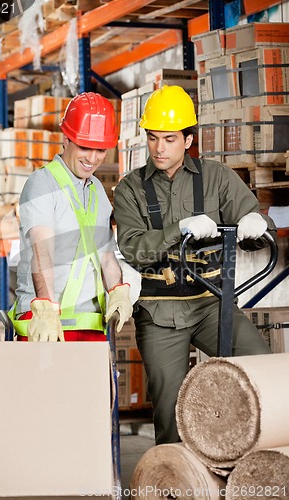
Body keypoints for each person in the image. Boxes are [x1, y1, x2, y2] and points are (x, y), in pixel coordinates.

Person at [113, 85, 277, 445]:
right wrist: (178, 230)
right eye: (153, 138)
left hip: (211, 303)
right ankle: (176, 483)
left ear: (188, 140)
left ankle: (248, 468)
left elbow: (263, 226)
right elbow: (133, 249)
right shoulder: (130, 189)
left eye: (169, 139)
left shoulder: (216, 177)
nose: (159, 148)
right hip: (160, 312)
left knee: (263, 372)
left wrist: (257, 225)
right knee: (171, 414)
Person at [9, 92, 133, 342]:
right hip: (45, 322)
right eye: (85, 147)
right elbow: (42, 251)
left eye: (100, 150)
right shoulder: (42, 183)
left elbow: (106, 256)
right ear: (65, 139)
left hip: (90, 324)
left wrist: (117, 290)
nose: (92, 158)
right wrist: (45, 307)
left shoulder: (97, 188)